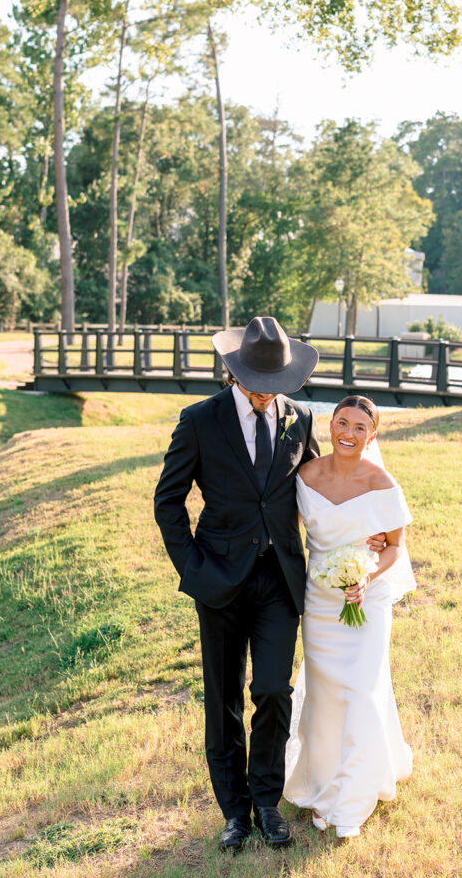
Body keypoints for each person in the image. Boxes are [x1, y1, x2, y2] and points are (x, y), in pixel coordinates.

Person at [154, 316, 320, 852]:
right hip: (219, 580)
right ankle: (234, 810)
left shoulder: (300, 418)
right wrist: (193, 568)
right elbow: (168, 501)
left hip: (279, 581)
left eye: (277, 384)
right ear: (236, 372)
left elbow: (319, 490)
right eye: (259, 383)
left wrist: (364, 528)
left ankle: (267, 802)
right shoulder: (199, 420)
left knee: (272, 690)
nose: (268, 394)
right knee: (223, 698)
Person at [284, 394, 416, 838]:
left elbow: (395, 547)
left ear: (372, 436)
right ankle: (323, 787)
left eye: (361, 427)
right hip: (320, 603)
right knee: (325, 697)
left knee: (360, 692)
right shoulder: (305, 477)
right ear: (330, 425)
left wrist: (367, 573)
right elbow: (287, 530)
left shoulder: (382, 483)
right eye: (343, 422)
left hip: (367, 600)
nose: (349, 433)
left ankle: (352, 799)